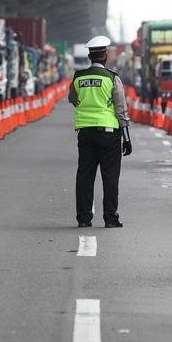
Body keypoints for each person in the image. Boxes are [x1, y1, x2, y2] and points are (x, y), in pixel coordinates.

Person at [68, 36, 132, 228]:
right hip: (109, 133)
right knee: (110, 176)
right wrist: (126, 138)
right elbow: (121, 109)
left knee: (85, 175)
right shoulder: (112, 78)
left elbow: (72, 98)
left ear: (89, 56)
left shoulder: (78, 77)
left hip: (85, 132)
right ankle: (111, 218)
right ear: (105, 56)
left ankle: (83, 218)